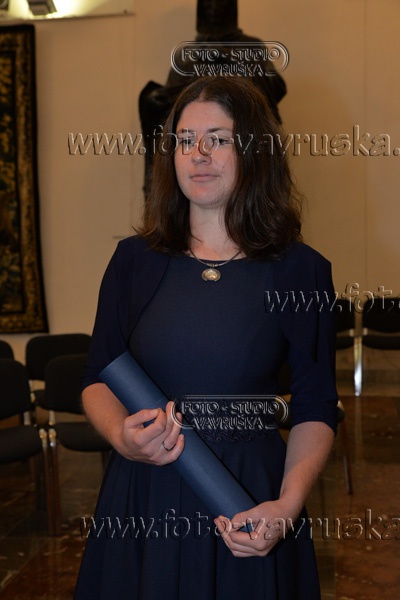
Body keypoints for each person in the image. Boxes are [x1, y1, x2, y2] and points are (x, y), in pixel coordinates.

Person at [74, 76, 338, 600]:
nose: (198, 153)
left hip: (248, 497)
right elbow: (97, 376)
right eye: (185, 139)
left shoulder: (300, 270)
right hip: (145, 494)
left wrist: (287, 507)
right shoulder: (133, 261)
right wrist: (122, 437)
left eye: (218, 139)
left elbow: (315, 406)